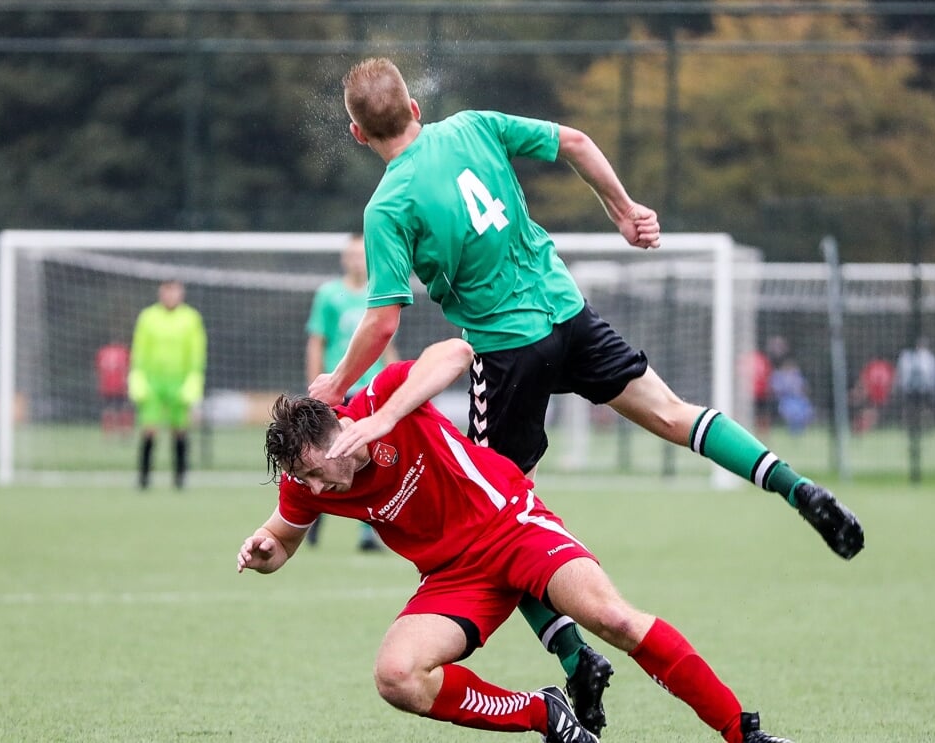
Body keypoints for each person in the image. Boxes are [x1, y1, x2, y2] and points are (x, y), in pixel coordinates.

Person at [310, 57, 863, 734]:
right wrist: (623, 210)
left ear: (359, 134)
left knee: (496, 523)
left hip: (507, 350)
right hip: (567, 312)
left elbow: (384, 318)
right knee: (672, 413)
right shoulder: (474, 125)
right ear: (416, 109)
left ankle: (574, 654)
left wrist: (336, 383)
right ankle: (793, 484)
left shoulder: (387, 204)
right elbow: (574, 141)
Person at [241, 339, 797, 743]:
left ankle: (741, 733)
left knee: (616, 620)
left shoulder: (380, 398)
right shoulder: (306, 483)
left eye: (316, 471)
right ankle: (545, 714)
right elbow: (282, 538)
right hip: (452, 578)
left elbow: (456, 353)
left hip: (513, 526)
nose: (312, 487)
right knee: (397, 676)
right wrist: (266, 549)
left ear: (338, 430)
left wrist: (387, 416)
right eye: (302, 478)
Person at [303, 234, 398, 551]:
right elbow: (318, 340)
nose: (357, 260)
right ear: (345, 259)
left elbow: (384, 339)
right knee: (324, 454)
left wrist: (401, 380)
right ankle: (311, 521)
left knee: (368, 458)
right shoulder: (329, 294)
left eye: (362, 255)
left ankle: (368, 533)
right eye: (352, 255)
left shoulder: (378, 292)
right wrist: (316, 386)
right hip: (337, 388)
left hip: (369, 391)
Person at [128, 279, 206, 490]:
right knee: (149, 429)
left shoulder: (190, 318)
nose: (171, 296)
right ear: (161, 293)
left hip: (179, 383)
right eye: (167, 291)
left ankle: (180, 478)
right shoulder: (148, 317)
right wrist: (137, 376)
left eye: (175, 291)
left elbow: (196, 352)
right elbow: (140, 349)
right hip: (153, 382)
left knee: (180, 429)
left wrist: (193, 379)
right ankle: (143, 478)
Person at [894, 336, 935, 436]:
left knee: (922, 411)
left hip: (922, 389)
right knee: (912, 410)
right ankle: (913, 430)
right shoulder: (908, 356)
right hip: (912, 389)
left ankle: (924, 430)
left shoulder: (927, 357)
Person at [95, 339, 133, 437]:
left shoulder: (103, 352)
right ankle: (125, 431)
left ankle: (108, 433)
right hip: (121, 385)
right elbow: (129, 367)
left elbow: (99, 368)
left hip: (106, 386)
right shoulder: (123, 352)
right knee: (124, 408)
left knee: (108, 408)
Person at [849, 356, 894, 434]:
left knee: (870, 413)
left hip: (873, 395)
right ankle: (858, 427)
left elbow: (863, 380)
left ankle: (859, 428)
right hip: (880, 396)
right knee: (870, 413)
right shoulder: (887, 367)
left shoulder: (872, 366)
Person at [770, 358, 815, 436]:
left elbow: (805, 388)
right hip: (786, 400)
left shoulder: (798, 377)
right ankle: (792, 430)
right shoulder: (779, 377)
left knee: (806, 410)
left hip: (799, 400)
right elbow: (776, 390)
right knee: (791, 411)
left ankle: (801, 430)